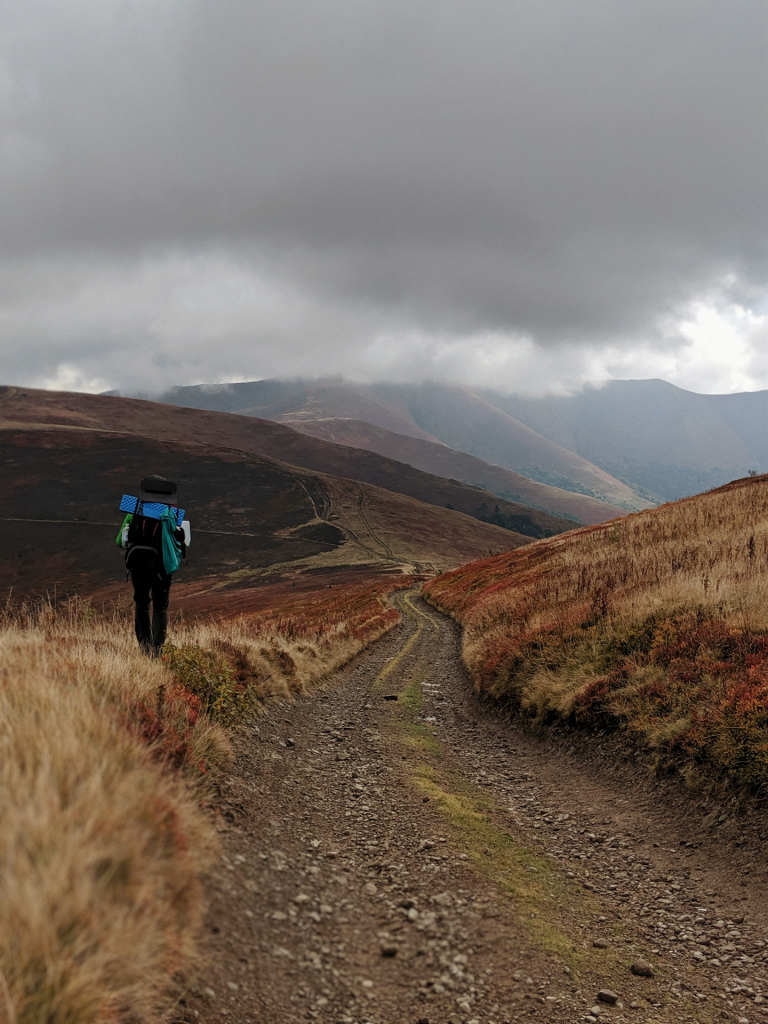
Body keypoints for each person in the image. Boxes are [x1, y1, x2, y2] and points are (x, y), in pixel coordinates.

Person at [117, 475, 186, 657]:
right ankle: (156, 651)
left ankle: (144, 648)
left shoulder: (135, 510)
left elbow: (119, 541)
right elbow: (182, 543)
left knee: (141, 603)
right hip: (162, 567)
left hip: (138, 565)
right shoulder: (173, 515)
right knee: (160, 605)